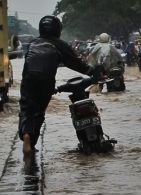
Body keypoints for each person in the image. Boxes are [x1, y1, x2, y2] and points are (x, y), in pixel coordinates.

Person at [19, 16, 95, 159]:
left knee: (27, 110)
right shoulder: (60, 44)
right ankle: (32, 143)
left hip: (28, 81)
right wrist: (93, 72)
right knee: (39, 112)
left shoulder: (32, 43)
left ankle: (27, 137)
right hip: (46, 83)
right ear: (57, 30)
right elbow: (76, 63)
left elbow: (27, 65)